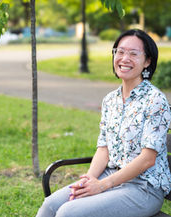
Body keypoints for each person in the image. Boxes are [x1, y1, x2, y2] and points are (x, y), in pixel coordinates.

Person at [36, 29, 171, 217]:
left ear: (147, 61)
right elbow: (103, 148)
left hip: (144, 188)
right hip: (109, 176)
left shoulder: (155, 100)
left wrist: (102, 185)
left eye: (133, 53)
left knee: (69, 212)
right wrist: (90, 180)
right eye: (120, 52)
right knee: (50, 205)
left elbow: (147, 159)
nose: (125, 58)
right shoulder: (110, 100)